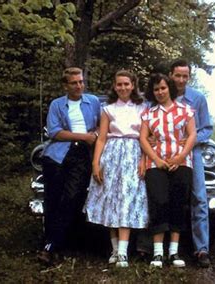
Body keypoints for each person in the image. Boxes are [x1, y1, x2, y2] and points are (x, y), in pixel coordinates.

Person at [83, 70, 148, 268]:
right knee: (111, 199)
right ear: (114, 86)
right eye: (119, 84)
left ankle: (122, 253)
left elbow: (146, 137)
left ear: (133, 85)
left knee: (127, 200)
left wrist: (144, 159)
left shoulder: (142, 108)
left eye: (126, 84)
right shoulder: (108, 109)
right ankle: (114, 249)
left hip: (133, 153)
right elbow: (101, 138)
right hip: (111, 155)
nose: (123, 88)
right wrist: (96, 163)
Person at [38, 67, 101, 265]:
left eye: (81, 81)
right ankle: (50, 246)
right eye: (74, 83)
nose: (79, 86)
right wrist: (84, 136)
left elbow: (102, 124)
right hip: (58, 155)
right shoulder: (57, 104)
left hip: (83, 155)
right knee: (53, 199)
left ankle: (54, 244)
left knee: (72, 197)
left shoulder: (93, 102)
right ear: (65, 85)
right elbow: (55, 132)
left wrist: (96, 135)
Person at [140, 73, 196, 268]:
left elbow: (191, 135)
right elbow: (143, 139)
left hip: (181, 163)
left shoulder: (186, 110)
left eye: (163, 88)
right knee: (158, 202)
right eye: (156, 89)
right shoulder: (148, 113)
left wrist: (180, 157)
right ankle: (157, 253)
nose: (160, 92)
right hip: (156, 165)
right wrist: (156, 159)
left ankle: (173, 252)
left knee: (178, 204)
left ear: (169, 88)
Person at [169, 59, 213, 267]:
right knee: (160, 195)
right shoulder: (161, 94)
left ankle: (201, 249)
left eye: (185, 76)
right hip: (164, 151)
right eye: (177, 75)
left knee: (199, 198)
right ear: (171, 75)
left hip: (191, 153)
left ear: (189, 77)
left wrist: (189, 141)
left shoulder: (197, 98)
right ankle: (155, 248)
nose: (181, 80)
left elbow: (206, 128)